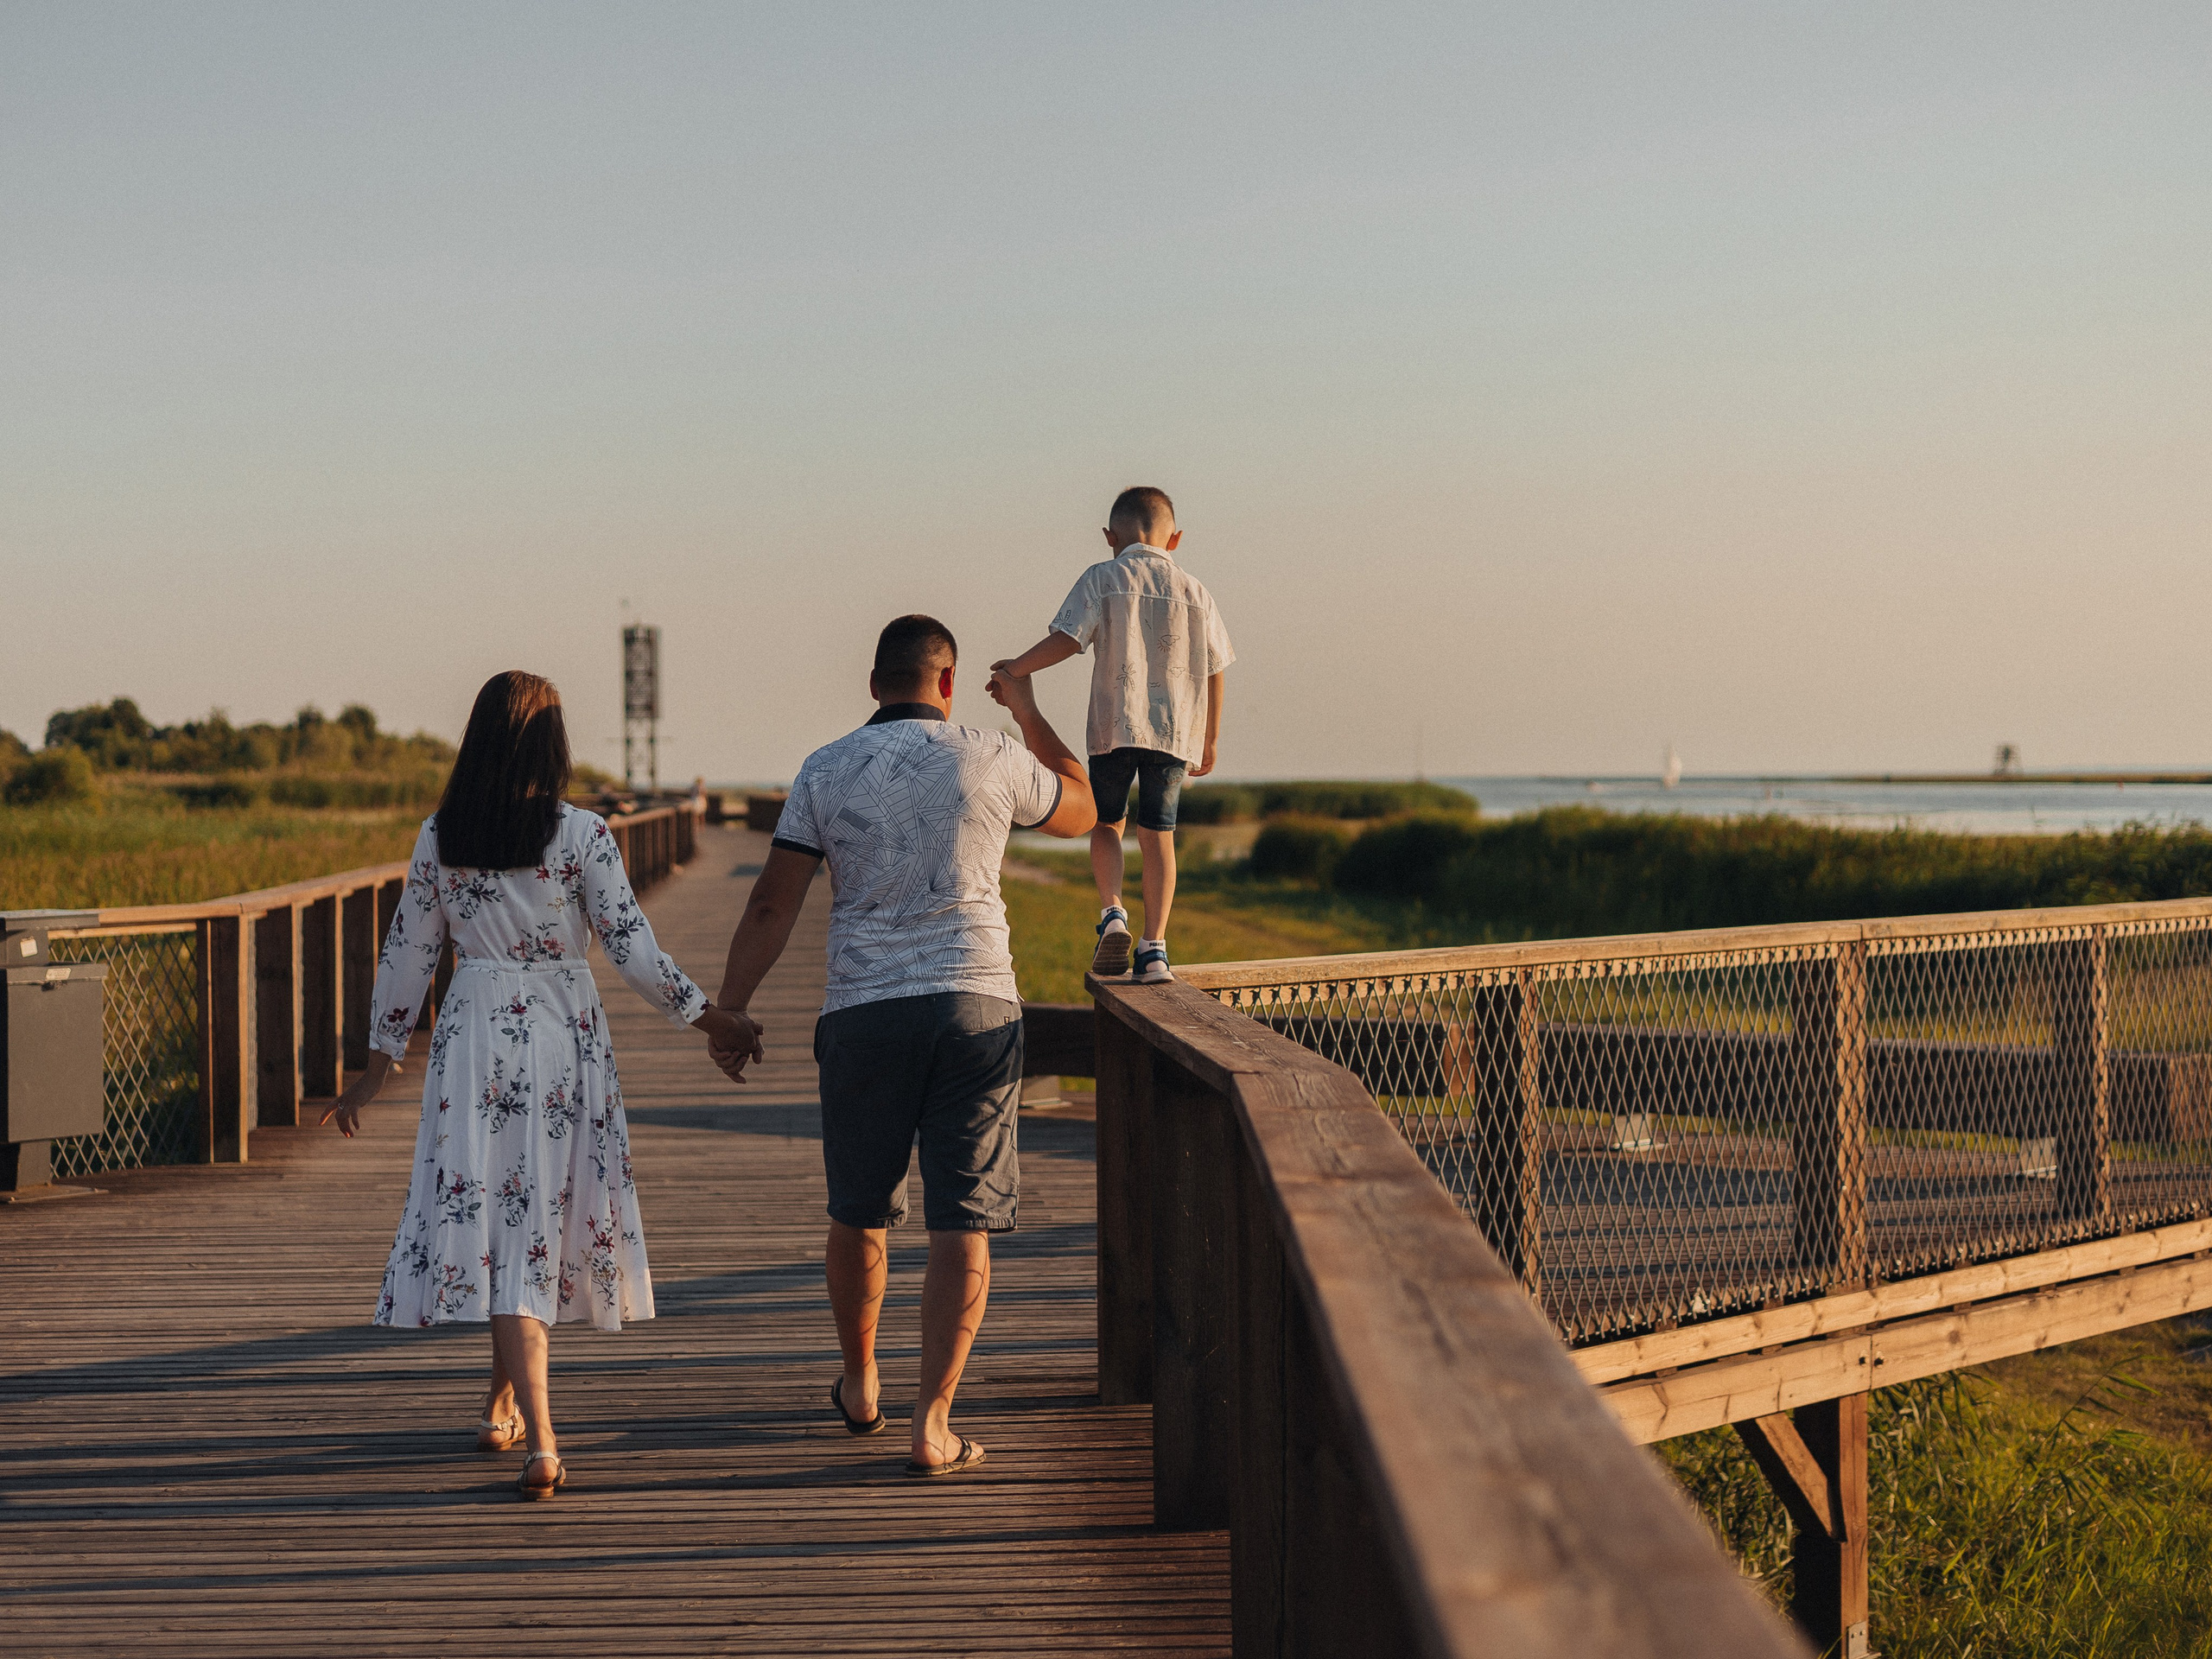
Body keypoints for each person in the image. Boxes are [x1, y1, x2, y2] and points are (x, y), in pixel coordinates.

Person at [324, 671, 760, 1500]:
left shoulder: (442, 834)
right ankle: (546, 1440)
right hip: (562, 1034)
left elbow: (408, 955)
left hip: (474, 1036)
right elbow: (632, 948)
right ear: (551, 743)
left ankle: (503, 1406)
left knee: (503, 1217)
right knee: (529, 1225)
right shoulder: (583, 834)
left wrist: (377, 1068)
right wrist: (713, 1019)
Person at [705, 614, 1094, 1476]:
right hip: (976, 1009)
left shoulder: (824, 768)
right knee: (965, 1218)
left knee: (859, 1208)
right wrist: (1028, 710)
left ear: (874, 683)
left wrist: (731, 1009)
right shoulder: (992, 754)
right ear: (948, 683)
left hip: (865, 1012)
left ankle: (860, 1383)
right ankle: (933, 1423)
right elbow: (1083, 808)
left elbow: (772, 903)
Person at [990, 486, 1234, 983]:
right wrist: (1209, 738)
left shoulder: (1103, 578)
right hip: (1172, 733)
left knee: (1106, 824)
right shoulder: (1196, 592)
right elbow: (1215, 668)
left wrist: (1016, 669)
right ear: (1175, 539)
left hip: (1113, 727)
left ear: (1110, 536)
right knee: (1159, 835)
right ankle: (1155, 948)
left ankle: (1113, 913)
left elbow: (1067, 639)